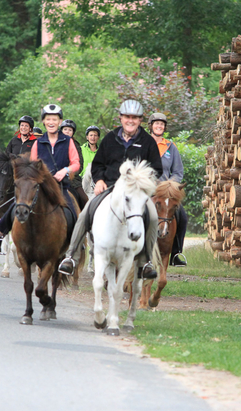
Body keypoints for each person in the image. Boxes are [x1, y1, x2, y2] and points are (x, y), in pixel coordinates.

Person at [58, 99, 163, 279]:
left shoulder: (148, 142)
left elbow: (157, 169)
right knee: (85, 213)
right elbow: (98, 164)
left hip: (135, 192)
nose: (130, 120)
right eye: (127, 117)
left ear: (140, 120)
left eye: (135, 118)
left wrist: (143, 183)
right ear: (121, 118)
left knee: (152, 216)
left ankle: (145, 261)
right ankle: (71, 257)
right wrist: (98, 180)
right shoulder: (109, 139)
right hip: (110, 189)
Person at [0, 104, 81, 254]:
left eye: (54, 119)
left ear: (59, 121)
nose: (51, 122)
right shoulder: (38, 143)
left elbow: (76, 163)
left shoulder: (67, 141)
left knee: (71, 209)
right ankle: (1, 234)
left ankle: (75, 246)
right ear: (44, 122)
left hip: (60, 185)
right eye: (48, 119)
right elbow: (31, 165)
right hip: (41, 185)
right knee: (18, 204)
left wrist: (65, 170)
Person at [148, 112, 188, 267]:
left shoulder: (171, 147)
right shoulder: (143, 144)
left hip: (165, 192)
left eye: (162, 124)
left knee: (182, 217)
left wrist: (170, 186)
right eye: (157, 123)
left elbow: (178, 172)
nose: (159, 126)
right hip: (148, 190)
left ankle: (176, 253)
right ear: (151, 125)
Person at [0, 115, 37, 226]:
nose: (23, 128)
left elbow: (34, 157)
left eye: (26, 126)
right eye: (22, 125)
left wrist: (20, 159)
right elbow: (6, 156)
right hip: (12, 171)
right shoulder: (14, 140)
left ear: (30, 128)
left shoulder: (35, 142)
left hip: (25, 172)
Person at [60, 119, 87, 210]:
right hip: (56, 177)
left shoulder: (76, 145)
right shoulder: (54, 143)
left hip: (73, 179)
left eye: (70, 130)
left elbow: (80, 164)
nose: (67, 132)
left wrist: (69, 174)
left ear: (73, 133)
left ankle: (87, 223)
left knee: (85, 200)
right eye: (65, 129)